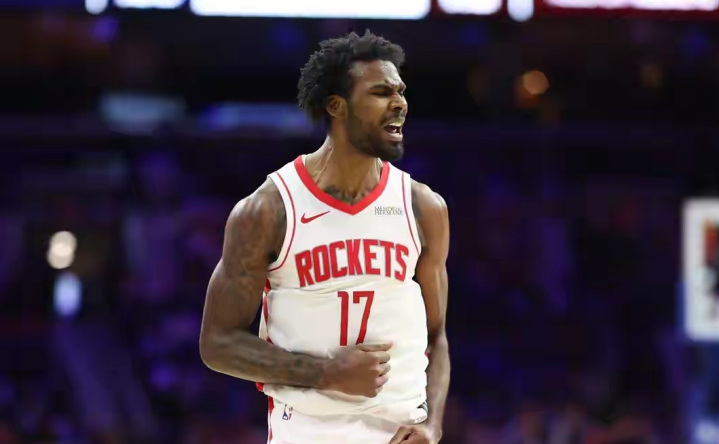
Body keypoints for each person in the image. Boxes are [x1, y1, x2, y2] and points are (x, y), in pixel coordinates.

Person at [199, 31, 451, 444]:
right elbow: (217, 343)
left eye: (401, 92)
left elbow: (437, 338)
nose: (399, 103)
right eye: (381, 92)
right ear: (337, 106)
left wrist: (433, 424)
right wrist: (326, 373)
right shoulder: (269, 210)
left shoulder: (423, 208)